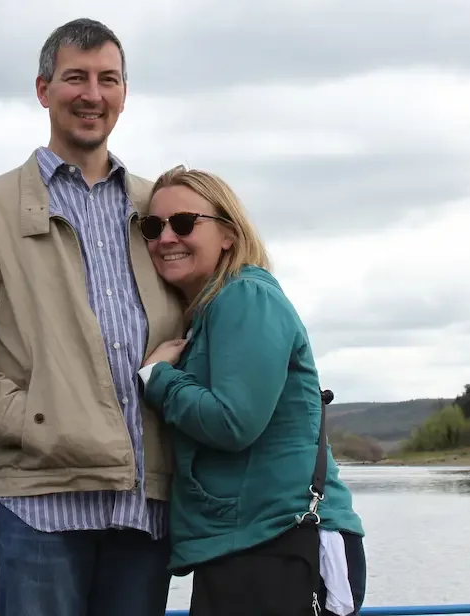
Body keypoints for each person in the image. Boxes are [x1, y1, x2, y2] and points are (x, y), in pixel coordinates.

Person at [0, 18, 186, 616]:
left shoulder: (160, 208)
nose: (93, 94)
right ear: (43, 90)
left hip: (146, 503)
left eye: (108, 79)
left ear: (123, 94)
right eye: (76, 78)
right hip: (40, 502)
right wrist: (31, 421)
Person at [136, 166, 367, 616]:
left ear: (227, 233)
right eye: (152, 226)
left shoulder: (245, 297)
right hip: (249, 544)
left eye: (184, 223)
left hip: (281, 544)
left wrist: (156, 378)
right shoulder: (214, 309)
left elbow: (233, 421)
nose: (166, 237)